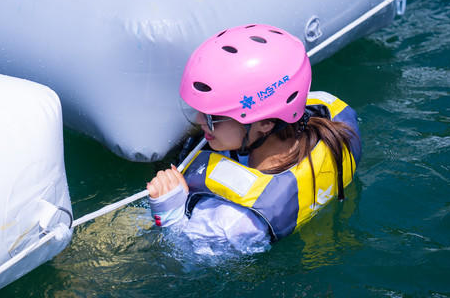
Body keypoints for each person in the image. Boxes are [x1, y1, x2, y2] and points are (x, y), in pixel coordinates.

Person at [147, 24, 361, 254]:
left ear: (266, 124)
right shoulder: (330, 118)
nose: (199, 120)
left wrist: (170, 216)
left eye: (213, 117)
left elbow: (185, 264)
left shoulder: (229, 222)